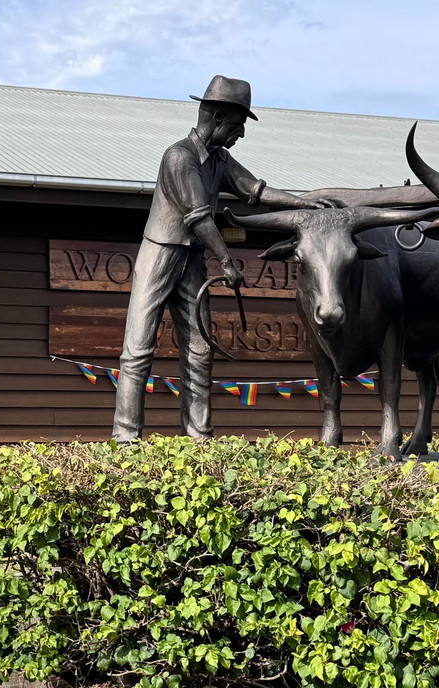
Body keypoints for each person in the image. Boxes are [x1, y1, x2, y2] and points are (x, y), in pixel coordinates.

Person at [112, 75, 329, 442]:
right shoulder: (179, 157)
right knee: (137, 351)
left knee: (200, 350)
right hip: (160, 254)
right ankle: (125, 438)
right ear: (216, 117)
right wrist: (227, 262)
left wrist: (306, 202)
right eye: (238, 125)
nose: (240, 134)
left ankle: (198, 437)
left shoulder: (221, 160)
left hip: (193, 260)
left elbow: (255, 190)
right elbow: (198, 216)